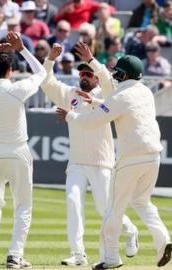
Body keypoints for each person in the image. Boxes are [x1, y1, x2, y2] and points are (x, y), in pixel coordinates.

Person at [56, 44, 172, 270]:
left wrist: (70, 115)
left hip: (131, 158)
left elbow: (91, 122)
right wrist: (96, 101)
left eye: (118, 72)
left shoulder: (119, 95)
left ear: (125, 75)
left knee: (113, 210)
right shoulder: (145, 91)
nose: (114, 75)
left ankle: (110, 258)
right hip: (154, 157)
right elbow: (120, 106)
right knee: (142, 202)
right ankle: (164, 241)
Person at [40, 42, 139, 266]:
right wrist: (50, 59)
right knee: (73, 203)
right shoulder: (70, 95)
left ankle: (129, 230)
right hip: (76, 162)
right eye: (81, 72)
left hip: (102, 162)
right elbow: (46, 82)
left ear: (95, 77)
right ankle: (78, 254)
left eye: (88, 73)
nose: (84, 76)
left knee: (105, 209)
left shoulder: (107, 94)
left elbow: (106, 79)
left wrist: (93, 60)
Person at [0, 32, 46, 268]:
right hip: (17, 153)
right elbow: (42, 73)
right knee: (23, 205)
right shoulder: (17, 89)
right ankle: (15, 256)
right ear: (10, 71)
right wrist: (22, 48)